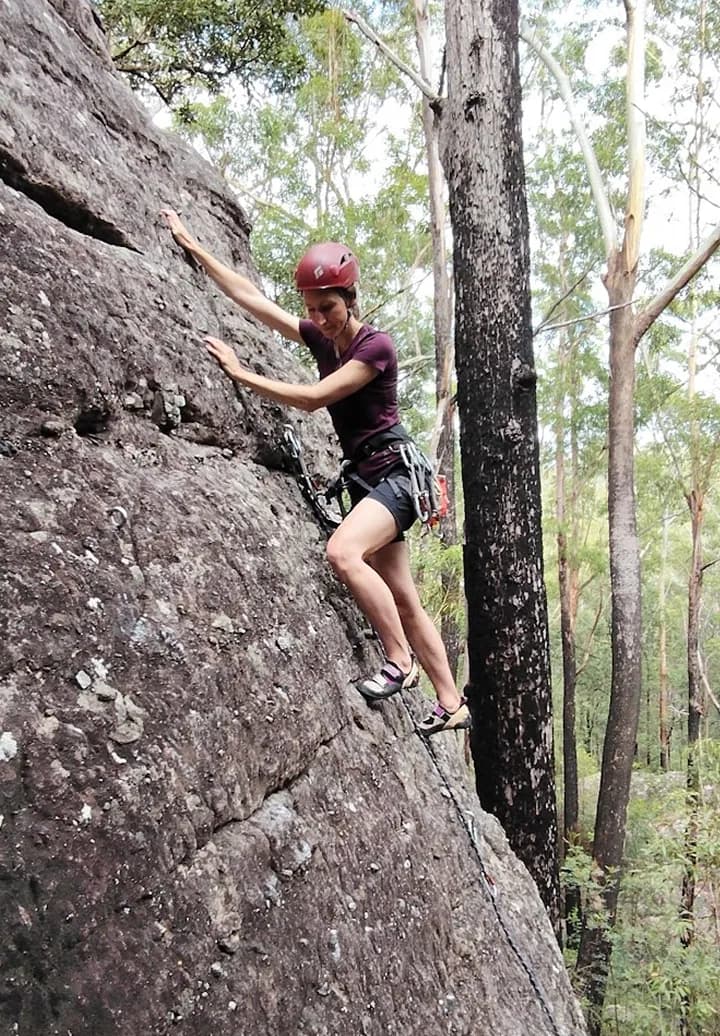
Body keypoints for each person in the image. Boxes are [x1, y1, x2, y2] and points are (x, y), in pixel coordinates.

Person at [160, 209, 469, 735]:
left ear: (350, 298)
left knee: (342, 553)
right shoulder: (323, 338)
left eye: (327, 307)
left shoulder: (377, 346)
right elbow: (253, 301)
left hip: (394, 474)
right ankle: (452, 702)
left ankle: (400, 662)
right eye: (312, 309)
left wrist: (240, 373)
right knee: (403, 593)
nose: (319, 318)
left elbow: (314, 398)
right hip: (366, 480)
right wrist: (195, 247)